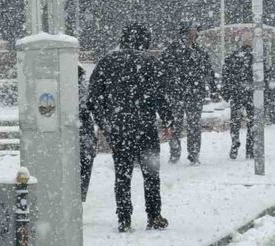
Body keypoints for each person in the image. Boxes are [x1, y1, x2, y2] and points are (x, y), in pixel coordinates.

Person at [88, 23, 173, 233]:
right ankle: (154, 215)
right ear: (145, 41)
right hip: (145, 127)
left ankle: (124, 218)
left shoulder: (107, 62)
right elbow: (160, 96)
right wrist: (169, 120)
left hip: (119, 128)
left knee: (122, 174)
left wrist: (105, 124)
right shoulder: (151, 63)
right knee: (151, 173)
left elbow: (93, 98)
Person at [159, 21, 217, 165]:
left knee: (194, 125)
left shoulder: (200, 51)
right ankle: (175, 153)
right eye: (194, 30)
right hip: (176, 93)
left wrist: (214, 89)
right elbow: (162, 72)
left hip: (194, 94)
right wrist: (163, 89)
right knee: (174, 124)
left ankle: (194, 154)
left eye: (197, 30)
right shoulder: (171, 50)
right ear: (185, 32)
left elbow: (208, 71)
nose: (196, 33)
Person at [222, 32, 256, 160]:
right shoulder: (256, 57)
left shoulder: (233, 56)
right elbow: (265, 74)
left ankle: (236, 142)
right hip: (251, 94)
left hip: (237, 93)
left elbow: (226, 74)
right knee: (251, 121)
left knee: (236, 121)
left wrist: (227, 92)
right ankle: (250, 147)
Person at [79, 65, 97, 201]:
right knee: (85, 165)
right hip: (85, 130)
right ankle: (80, 195)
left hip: (80, 129)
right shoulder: (86, 86)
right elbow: (94, 106)